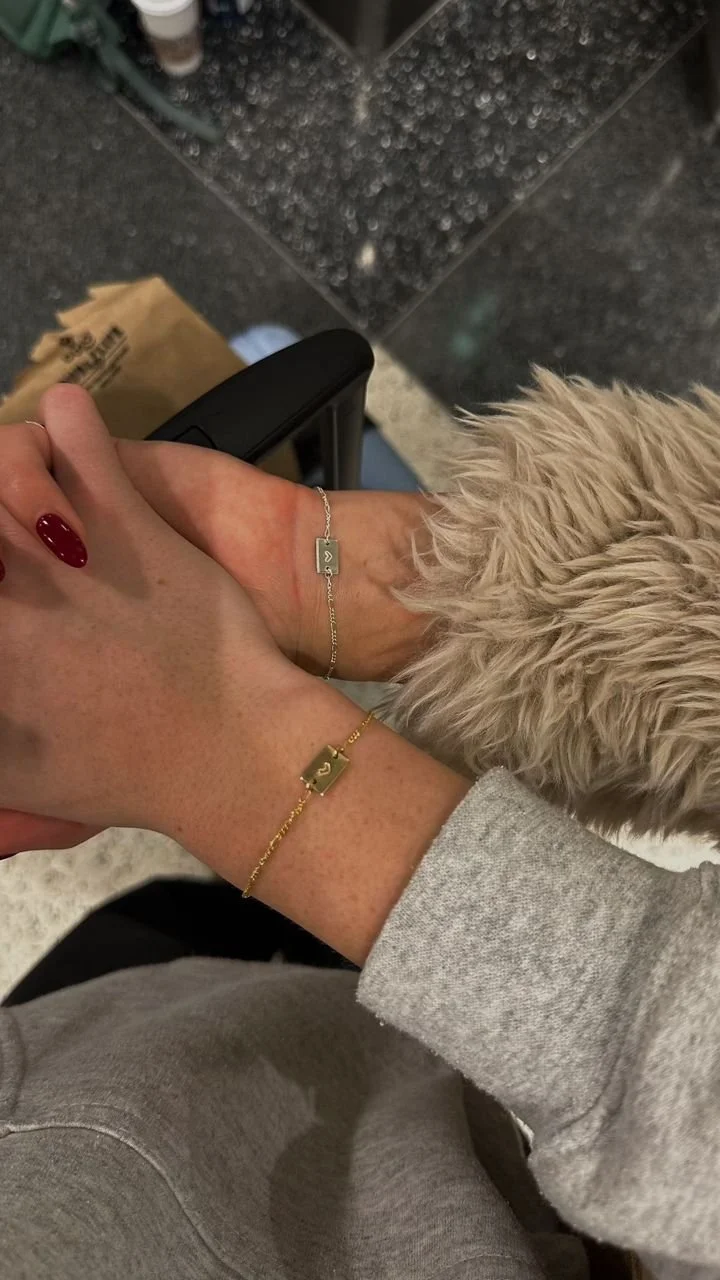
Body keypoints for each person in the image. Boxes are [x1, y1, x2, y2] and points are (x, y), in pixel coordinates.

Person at [0, 384, 716, 1280]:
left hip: (168, 1024)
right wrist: (373, 603)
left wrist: (247, 728)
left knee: (188, 929)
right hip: (369, 1105)